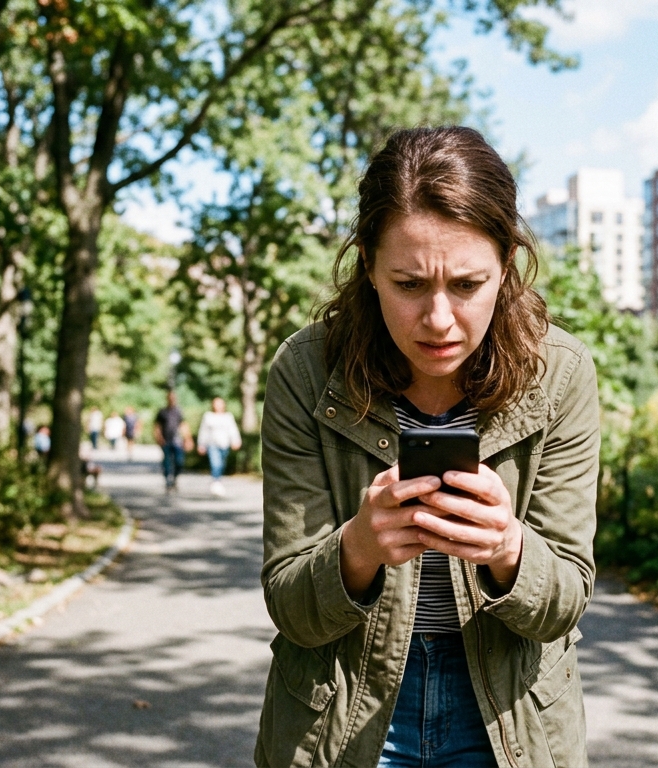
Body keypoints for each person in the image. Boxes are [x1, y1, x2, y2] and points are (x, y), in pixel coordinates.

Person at [256, 127, 599, 768]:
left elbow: (566, 600)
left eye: (467, 285)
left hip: (508, 716)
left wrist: (508, 549)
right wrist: (358, 549)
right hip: (341, 712)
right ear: (367, 264)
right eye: (409, 284)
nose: (439, 320)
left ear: (506, 265)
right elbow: (291, 608)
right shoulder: (305, 372)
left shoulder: (560, 373)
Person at [197, 397, 242, 497]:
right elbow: (203, 431)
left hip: (224, 444)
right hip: (212, 444)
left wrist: (236, 440)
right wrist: (201, 444)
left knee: (221, 464)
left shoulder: (228, 417)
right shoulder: (208, 416)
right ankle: (216, 482)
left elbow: (233, 429)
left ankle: (218, 480)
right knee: (215, 463)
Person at [154, 391, 192, 491]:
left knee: (179, 461)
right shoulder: (162, 412)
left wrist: (188, 439)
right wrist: (159, 437)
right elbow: (157, 426)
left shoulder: (179, 411)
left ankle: (175, 478)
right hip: (166, 440)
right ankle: (167, 480)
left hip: (177, 441)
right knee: (167, 461)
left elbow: (183, 425)